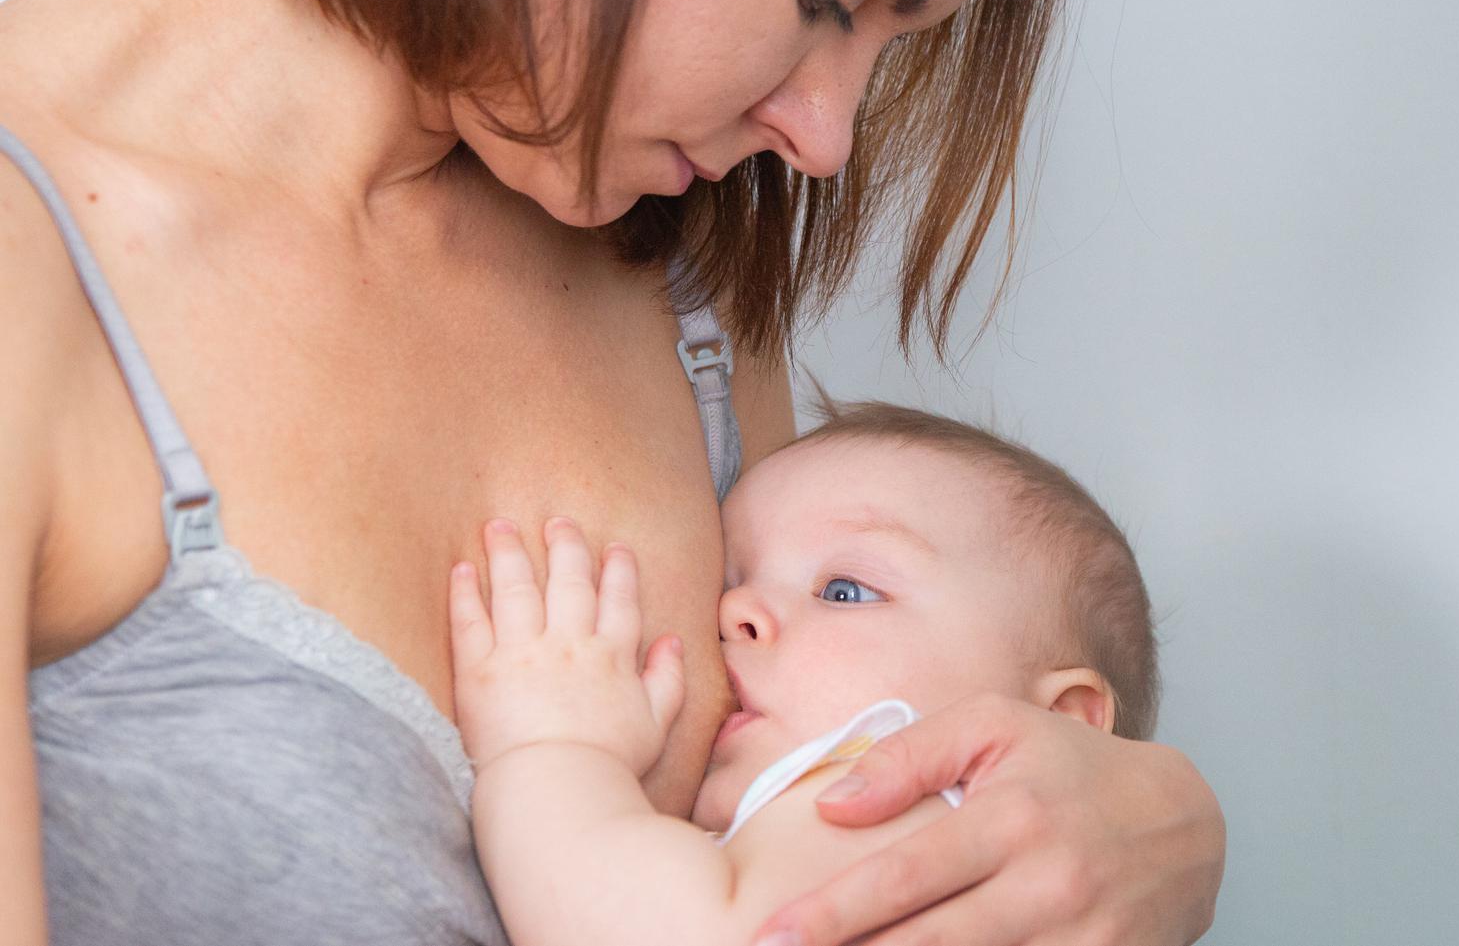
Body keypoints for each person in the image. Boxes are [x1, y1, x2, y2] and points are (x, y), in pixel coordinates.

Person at [0, 0, 1224, 943]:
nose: (823, 138)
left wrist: (1137, 823)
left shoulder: (676, 290)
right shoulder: (31, 267)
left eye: (885, 47)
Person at [450, 401, 1162, 946]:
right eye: (729, 580)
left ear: (1061, 727)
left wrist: (553, 749)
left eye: (844, 589)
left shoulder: (919, 815)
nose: (735, 610)